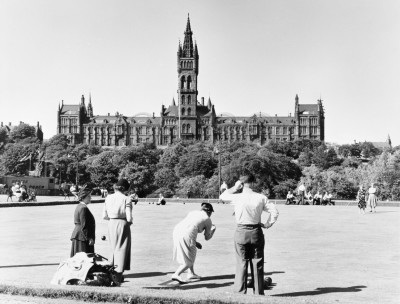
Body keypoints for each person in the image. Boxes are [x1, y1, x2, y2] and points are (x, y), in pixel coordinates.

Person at [220, 175, 279, 295]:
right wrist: (268, 224)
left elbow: (222, 196)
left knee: (241, 262)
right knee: (257, 262)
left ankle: (240, 293)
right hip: (256, 231)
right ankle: (258, 294)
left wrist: (234, 188)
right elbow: (274, 211)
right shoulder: (261, 197)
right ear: (253, 183)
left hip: (241, 231)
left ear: (241, 184)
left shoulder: (238, 197)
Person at [172, 202, 216, 283]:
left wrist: (195, 242)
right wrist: (213, 230)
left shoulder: (193, 213)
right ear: (209, 212)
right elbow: (207, 237)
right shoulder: (207, 219)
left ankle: (191, 273)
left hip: (177, 230)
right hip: (187, 235)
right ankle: (176, 274)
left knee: (192, 252)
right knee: (189, 260)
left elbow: (188, 227)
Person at [102, 179, 135, 284]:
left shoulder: (108, 197)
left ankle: (110, 273)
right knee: (121, 248)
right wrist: (128, 223)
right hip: (122, 223)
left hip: (111, 223)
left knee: (111, 248)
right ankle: (118, 275)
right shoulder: (127, 198)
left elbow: (104, 216)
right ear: (125, 188)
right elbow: (129, 218)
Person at [70, 185, 95, 257]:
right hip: (81, 238)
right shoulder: (83, 208)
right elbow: (84, 225)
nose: (91, 198)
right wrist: (89, 238)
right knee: (83, 259)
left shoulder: (80, 206)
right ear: (84, 197)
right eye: (89, 196)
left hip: (79, 236)